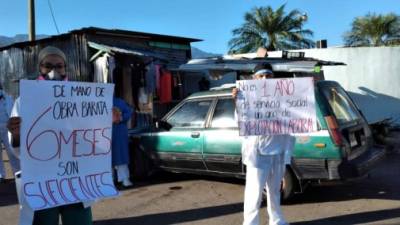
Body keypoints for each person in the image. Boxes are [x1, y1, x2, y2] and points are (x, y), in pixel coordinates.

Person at [7, 46, 93, 225]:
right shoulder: (24, 102)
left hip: (74, 179)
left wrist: (107, 122)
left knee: (79, 221)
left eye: (59, 66)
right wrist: (15, 133)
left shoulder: (81, 100)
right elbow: (17, 150)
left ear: (65, 69)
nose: (54, 71)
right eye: (48, 66)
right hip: (41, 182)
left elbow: (93, 139)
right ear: (40, 68)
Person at [232, 68, 295, 225]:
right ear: (255, 78)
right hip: (258, 154)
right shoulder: (248, 96)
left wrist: (306, 93)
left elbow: (295, 118)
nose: (265, 78)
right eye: (261, 75)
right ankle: (251, 223)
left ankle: (277, 220)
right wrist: (237, 101)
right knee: (255, 192)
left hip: (278, 151)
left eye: (268, 75)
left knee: (274, 191)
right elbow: (240, 123)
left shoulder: (284, 97)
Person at [112, 97, 133, 188]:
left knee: (121, 155)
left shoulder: (119, 101)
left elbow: (128, 112)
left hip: (119, 131)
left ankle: (124, 178)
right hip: (104, 132)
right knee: (106, 156)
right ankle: (110, 180)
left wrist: (120, 118)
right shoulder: (98, 100)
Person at [0, 84, 20, 183]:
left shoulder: (8, 98)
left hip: (7, 127)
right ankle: (1, 175)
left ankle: (18, 173)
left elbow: (13, 112)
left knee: (12, 152)